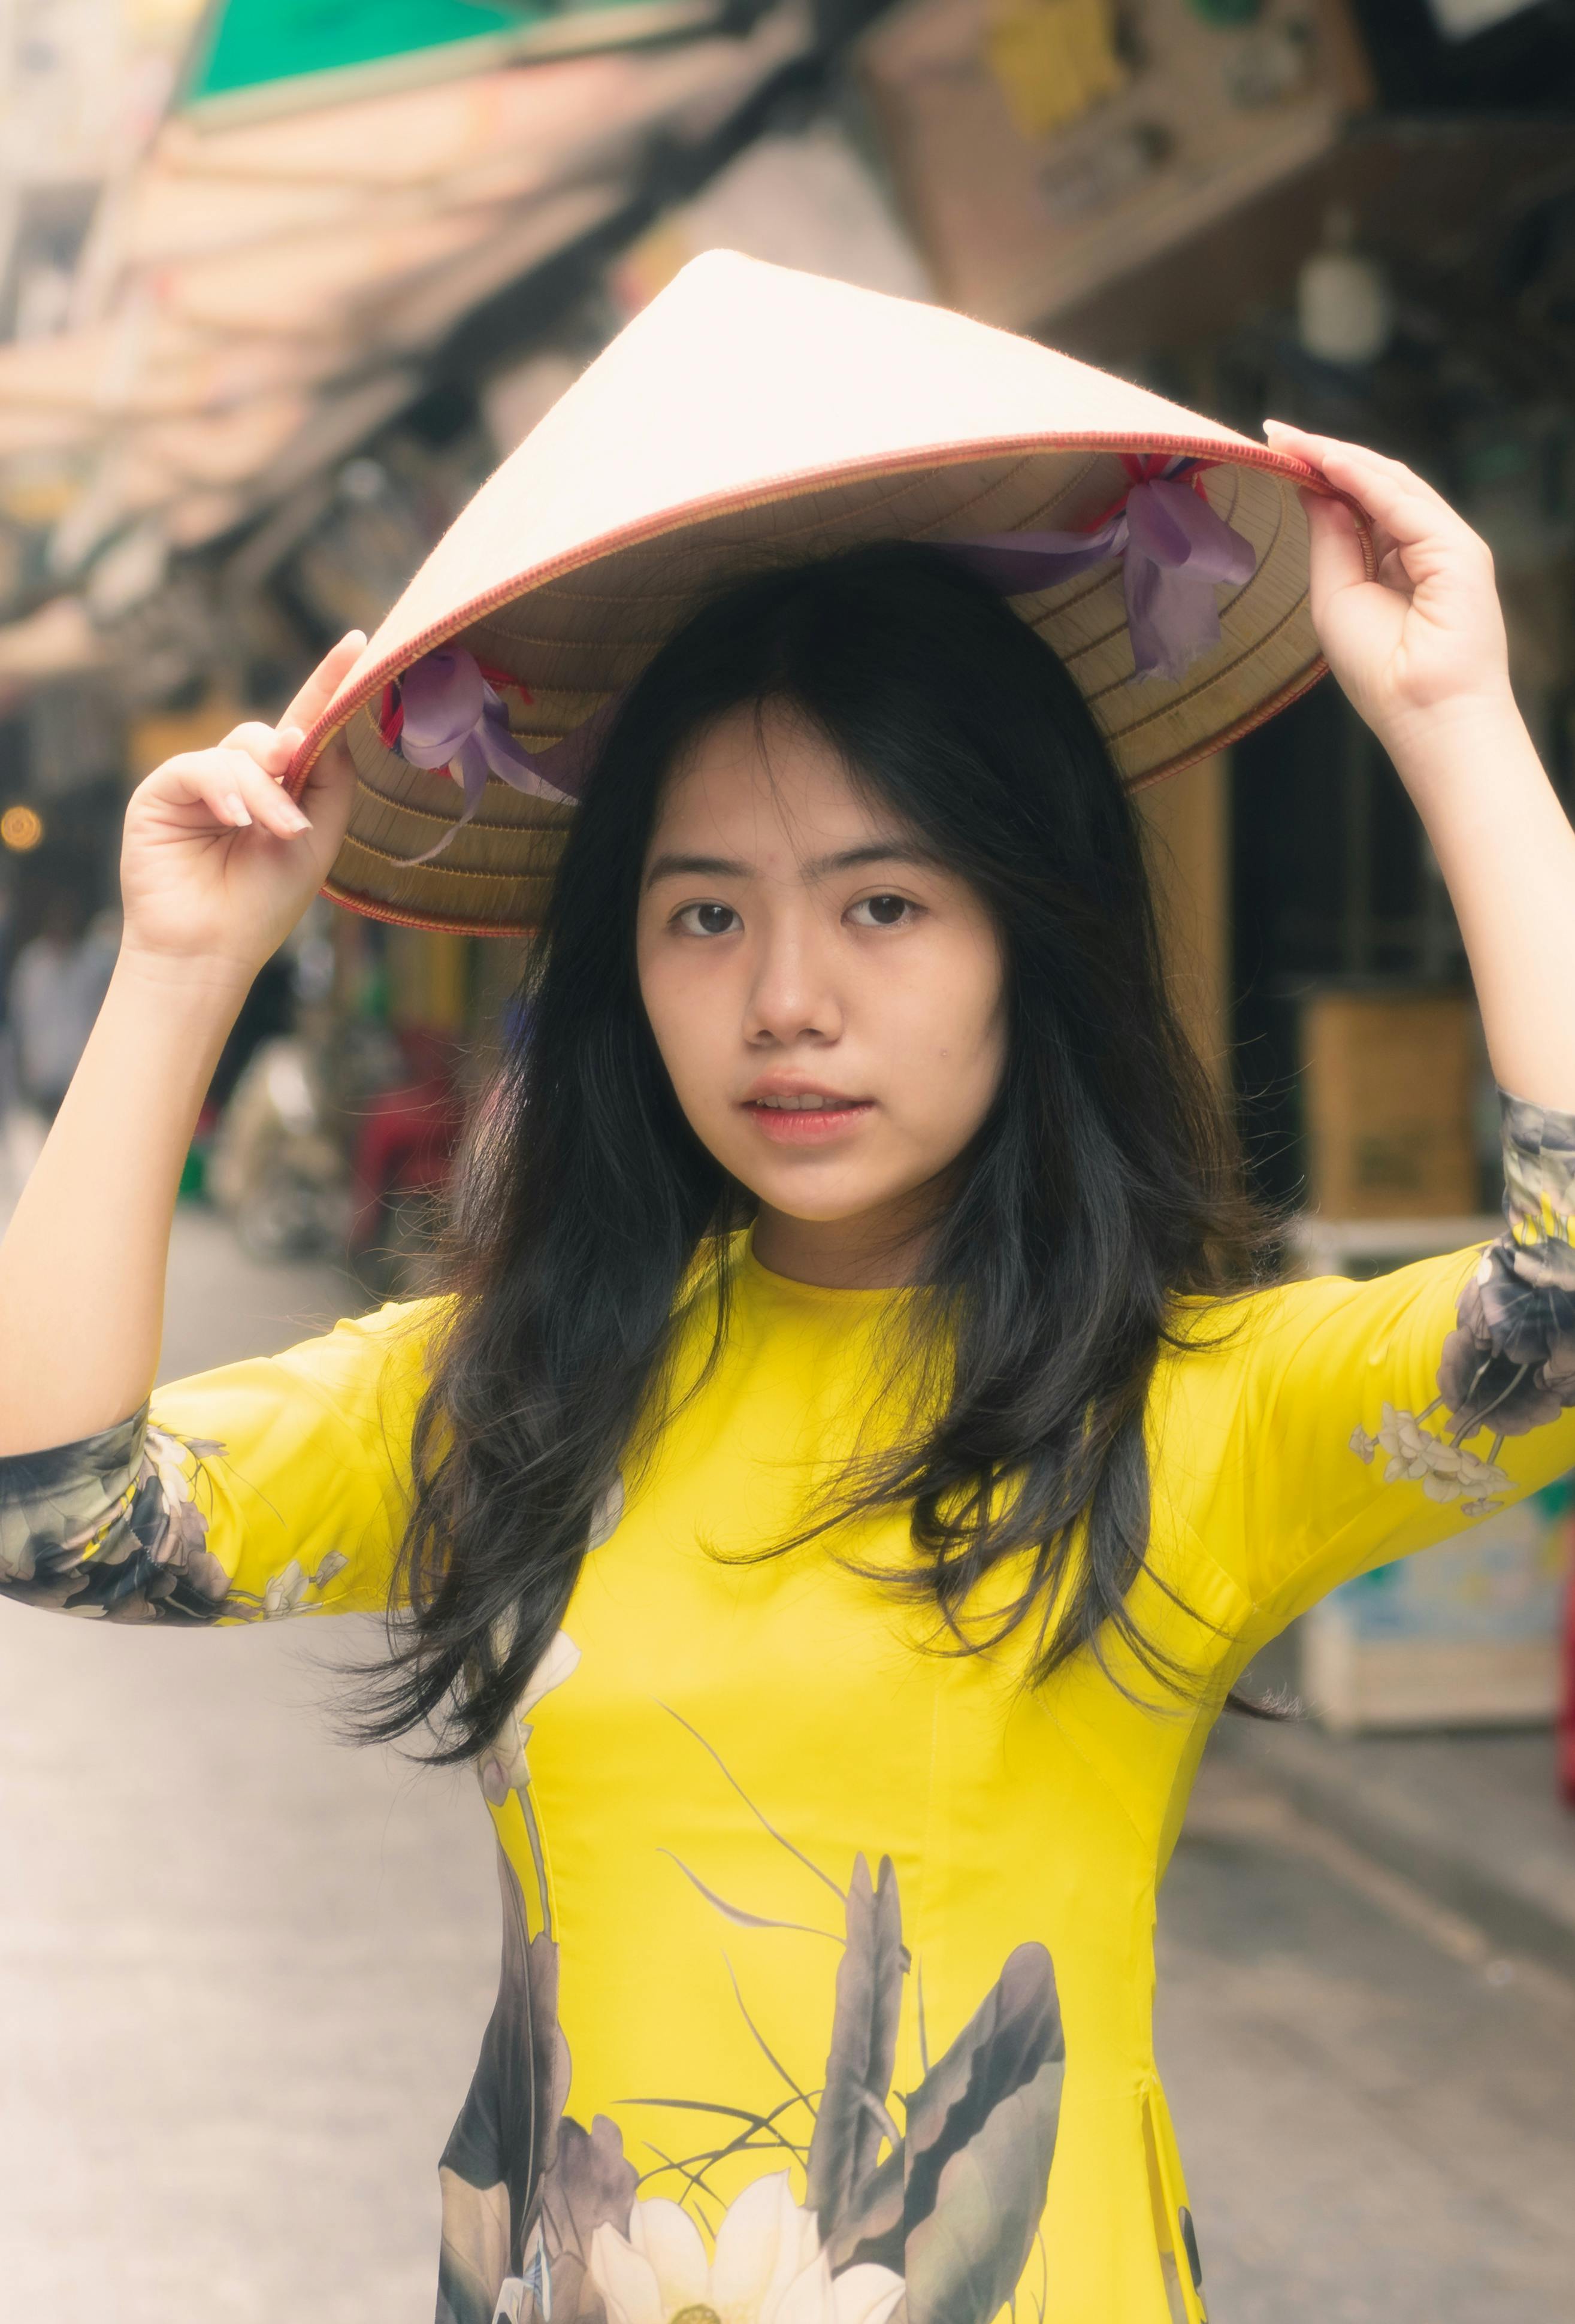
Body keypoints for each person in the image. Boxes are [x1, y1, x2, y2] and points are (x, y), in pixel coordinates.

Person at [3, 259, 1574, 2324]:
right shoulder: (523, 1394)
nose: (783, 1002)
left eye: (884, 903)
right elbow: (58, 1507)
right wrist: (186, 972)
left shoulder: (1175, 1408)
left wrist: (1454, 727)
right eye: (701, 914)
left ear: (1031, 936)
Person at [7, 888, 116, 1121]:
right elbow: (21, 1020)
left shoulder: (90, 963)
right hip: (42, 1075)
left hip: (81, 1073)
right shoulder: (33, 964)